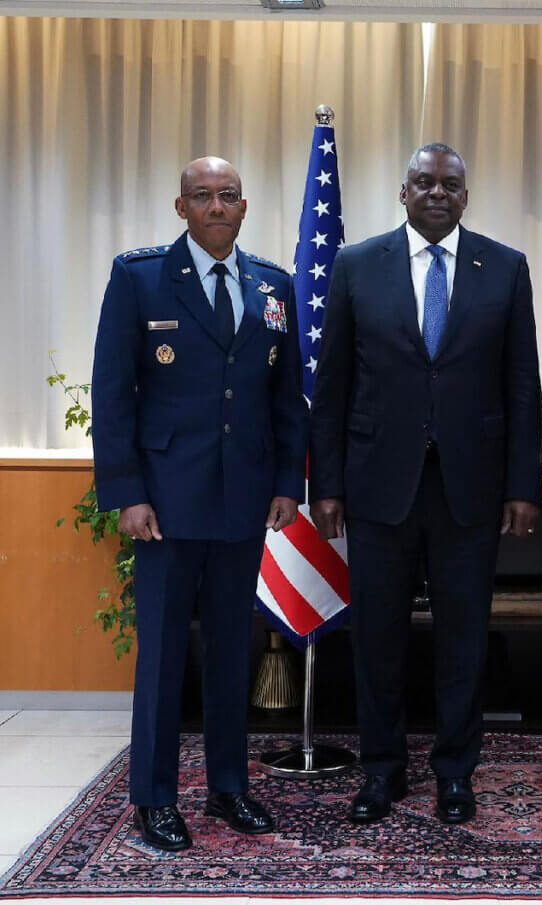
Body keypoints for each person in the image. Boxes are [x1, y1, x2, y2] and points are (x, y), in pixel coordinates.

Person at [309, 143, 542, 826]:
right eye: (423, 182)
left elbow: (522, 385)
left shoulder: (504, 267)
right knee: (376, 638)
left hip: (470, 489)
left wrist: (522, 483)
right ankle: (380, 771)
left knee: (463, 638)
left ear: (465, 196)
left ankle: (455, 773)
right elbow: (332, 387)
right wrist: (327, 482)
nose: (436, 192)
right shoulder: (356, 265)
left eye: (450, 183)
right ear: (402, 191)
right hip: (378, 486)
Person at [91, 157, 308, 852]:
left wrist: (285, 482)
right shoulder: (140, 277)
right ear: (180, 207)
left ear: (244, 207)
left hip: (243, 499)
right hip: (163, 503)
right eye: (202, 196)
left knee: (228, 649)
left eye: (228, 196)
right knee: (159, 655)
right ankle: (153, 798)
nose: (217, 206)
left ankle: (228, 785)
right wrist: (126, 493)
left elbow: (285, 400)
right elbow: (112, 391)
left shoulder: (273, 284)